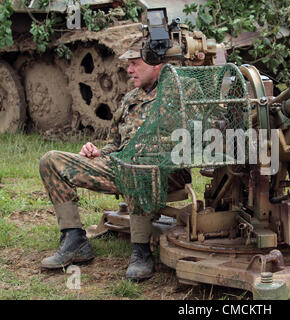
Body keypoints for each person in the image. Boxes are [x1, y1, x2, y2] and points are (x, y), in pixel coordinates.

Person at [39, 37, 190, 280]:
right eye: (128, 64)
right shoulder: (130, 98)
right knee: (51, 160)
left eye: (135, 63)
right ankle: (74, 239)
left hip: (163, 172)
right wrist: (100, 152)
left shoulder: (181, 92)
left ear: (155, 64)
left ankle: (141, 250)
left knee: (137, 164)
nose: (129, 70)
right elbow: (115, 143)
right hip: (121, 165)